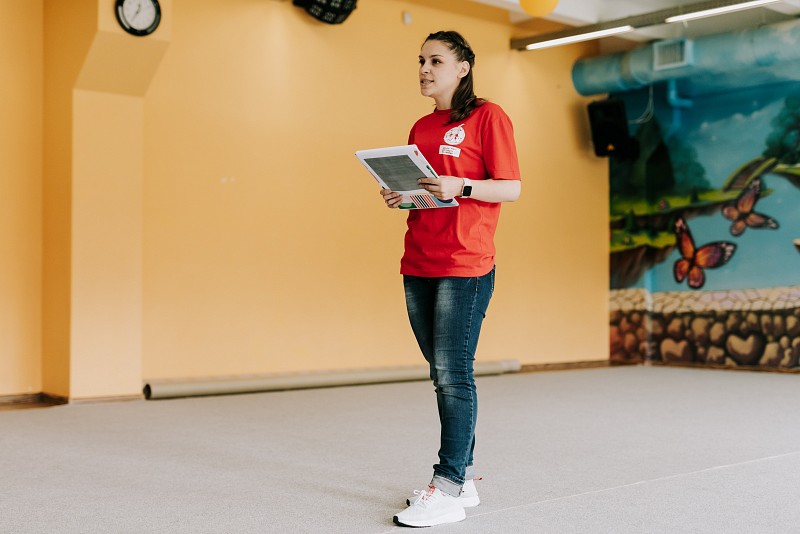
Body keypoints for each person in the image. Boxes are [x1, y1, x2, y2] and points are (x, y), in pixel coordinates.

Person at [382, 31, 521, 528]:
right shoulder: (421, 126)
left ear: (463, 67)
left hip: (465, 264)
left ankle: (447, 485)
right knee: (443, 372)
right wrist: (404, 195)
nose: (424, 69)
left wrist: (460, 184)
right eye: (421, 60)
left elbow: (510, 188)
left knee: (452, 373)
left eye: (436, 60)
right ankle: (462, 479)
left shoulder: (488, 117)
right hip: (418, 260)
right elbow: (430, 193)